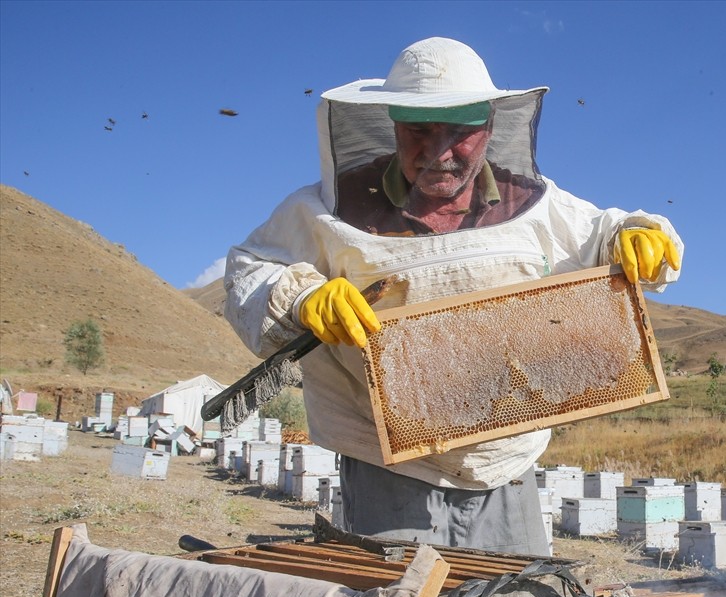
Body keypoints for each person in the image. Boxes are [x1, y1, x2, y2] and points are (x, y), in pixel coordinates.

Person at [223, 38, 682, 556]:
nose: (439, 152)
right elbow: (249, 270)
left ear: (489, 128)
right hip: (385, 460)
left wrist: (637, 233)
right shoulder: (324, 210)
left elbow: (605, 232)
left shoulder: (536, 205)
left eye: (460, 132)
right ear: (394, 125)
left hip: (506, 460)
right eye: (419, 131)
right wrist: (301, 296)